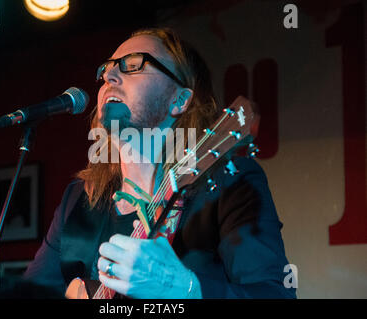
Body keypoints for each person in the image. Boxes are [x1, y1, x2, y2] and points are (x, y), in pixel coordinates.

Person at [23, 27, 296, 299]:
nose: (110, 76)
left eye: (133, 65)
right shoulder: (79, 198)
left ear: (179, 99)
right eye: (105, 71)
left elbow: (275, 295)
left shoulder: (229, 183)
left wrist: (185, 289)